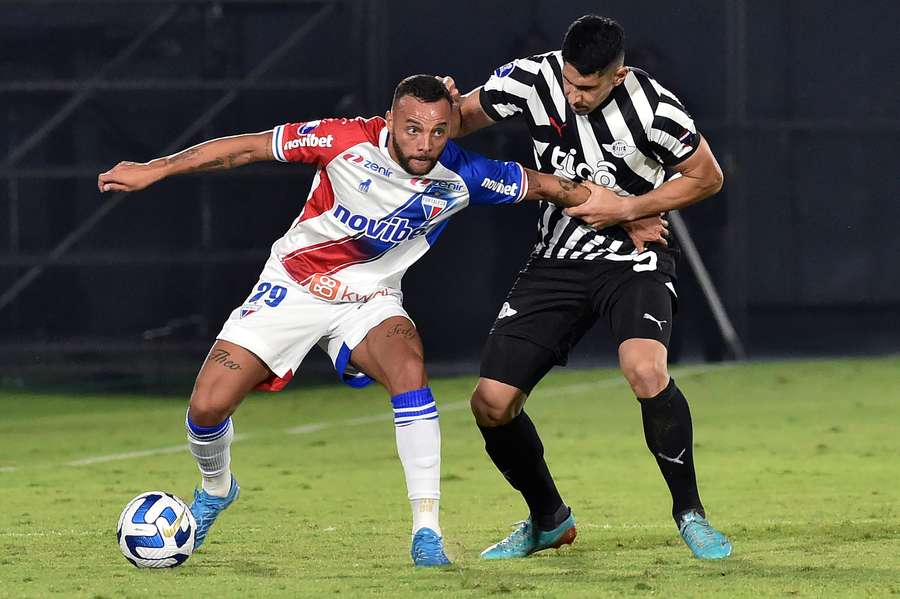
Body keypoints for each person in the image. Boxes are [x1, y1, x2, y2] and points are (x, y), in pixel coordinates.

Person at [97, 75, 645, 566]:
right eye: (412, 129)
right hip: (293, 284)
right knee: (207, 406)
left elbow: (558, 187)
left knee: (409, 370)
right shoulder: (343, 141)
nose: (425, 144)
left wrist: (631, 215)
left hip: (371, 298)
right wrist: (156, 169)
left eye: (437, 132)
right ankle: (216, 488)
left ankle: (426, 530)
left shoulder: (466, 174)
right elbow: (246, 148)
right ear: (390, 121)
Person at [444, 15, 733, 560]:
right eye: (571, 82)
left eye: (589, 87)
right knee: (491, 403)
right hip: (554, 259)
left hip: (635, 259)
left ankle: (690, 514)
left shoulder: (653, 108)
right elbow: (459, 120)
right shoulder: (531, 81)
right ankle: (548, 519)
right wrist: (443, 106)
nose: (575, 94)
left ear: (618, 76)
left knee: (646, 369)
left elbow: (707, 176)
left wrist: (630, 208)